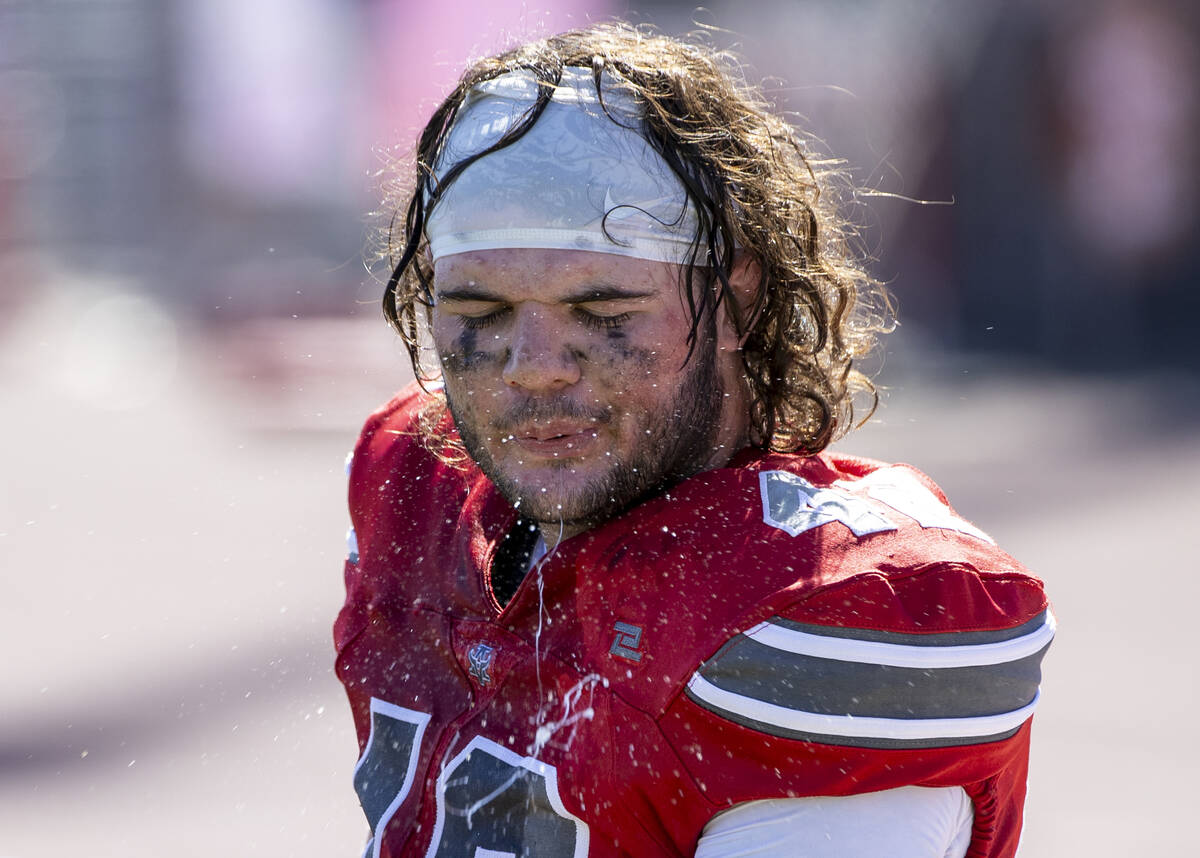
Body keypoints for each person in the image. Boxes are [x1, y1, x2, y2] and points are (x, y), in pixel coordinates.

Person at [335, 22, 1053, 858]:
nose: (531, 370)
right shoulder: (415, 479)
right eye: (477, 313)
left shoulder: (807, 610)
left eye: (602, 314)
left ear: (737, 302)